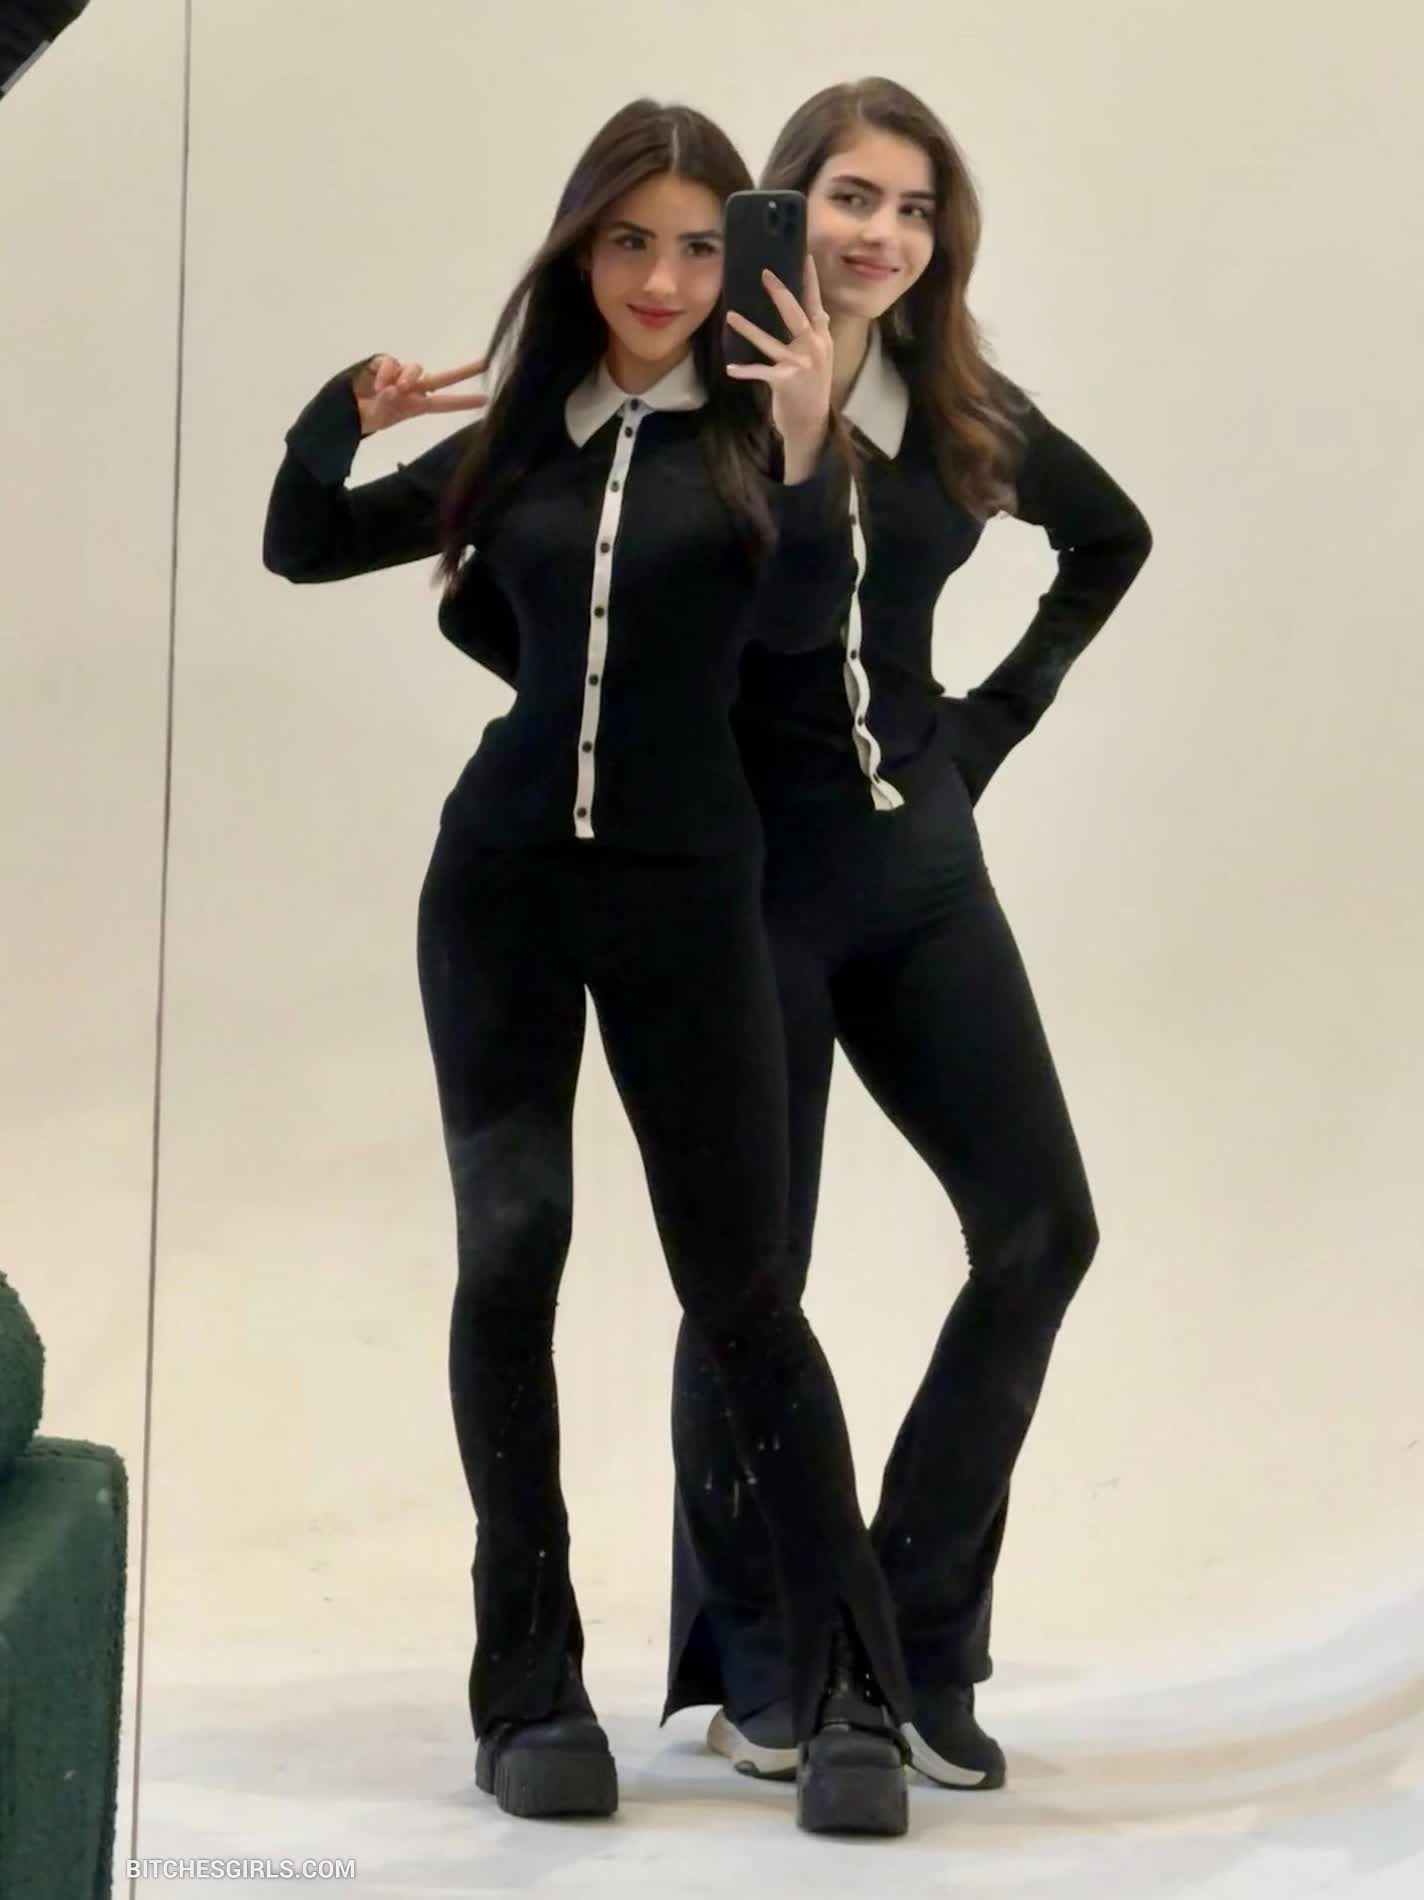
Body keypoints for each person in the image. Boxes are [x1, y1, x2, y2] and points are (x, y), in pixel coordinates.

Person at [262, 97, 917, 1837]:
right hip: (498, 897)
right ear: (578, 247)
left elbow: (802, 643)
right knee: (512, 1256)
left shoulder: (771, 442)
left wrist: (805, 450)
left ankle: (848, 1688)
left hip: (693, 905)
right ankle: (531, 1688)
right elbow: (304, 543)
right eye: (631, 239)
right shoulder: (523, 441)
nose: (665, 279)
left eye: (701, 245)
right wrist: (340, 417)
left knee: (745, 1291)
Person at [661, 77, 1155, 1792]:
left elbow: (1111, 538)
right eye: (852, 198)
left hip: (923, 878)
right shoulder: (701, 395)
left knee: (1043, 1230)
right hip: (747, 895)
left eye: (916, 209)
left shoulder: (957, 403)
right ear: (786, 202)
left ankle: (918, 1635)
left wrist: (989, 726)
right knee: (750, 1279)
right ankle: (769, 1659)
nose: (883, 235)